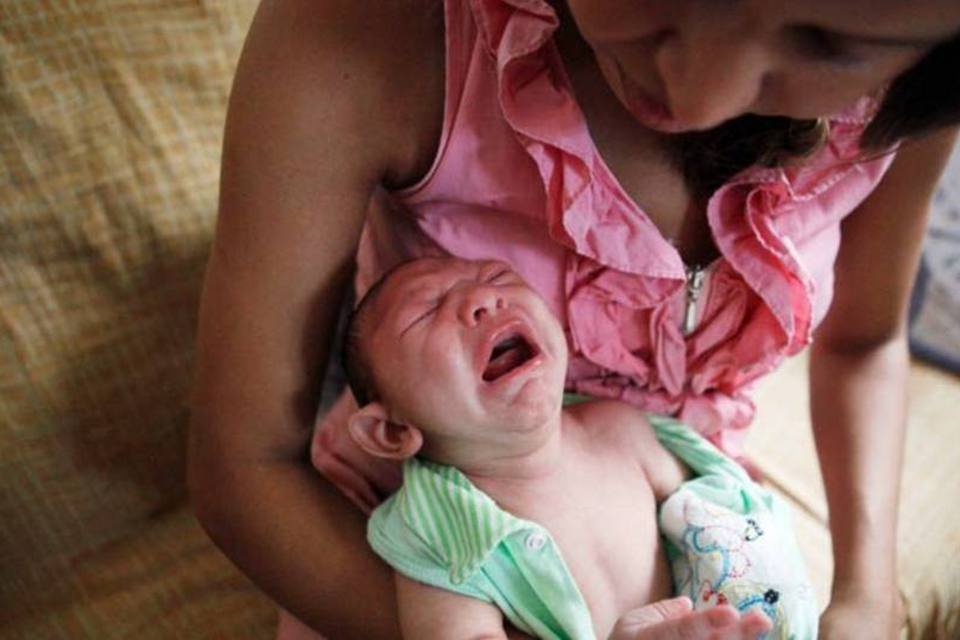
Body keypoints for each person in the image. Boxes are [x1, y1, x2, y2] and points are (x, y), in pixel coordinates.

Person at [187, 0, 960, 638]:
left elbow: (863, 339)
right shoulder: (377, 34)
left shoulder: (908, 95)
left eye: (831, 43)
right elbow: (244, 468)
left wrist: (867, 596)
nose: (699, 98)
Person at [341, 255, 815, 640]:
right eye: (427, 312)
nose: (483, 298)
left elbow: (723, 513)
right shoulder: (440, 534)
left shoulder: (620, 431)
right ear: (391, 433)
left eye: (498, 276)